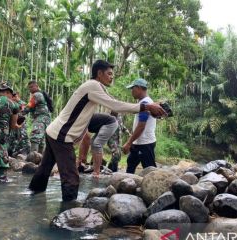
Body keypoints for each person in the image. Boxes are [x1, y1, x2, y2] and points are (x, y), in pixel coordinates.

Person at [28, 59, 166, 201]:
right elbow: (116, 105)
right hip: (62, 136)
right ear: (99, 73)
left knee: (44, 170)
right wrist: (146, 107)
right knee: (71, 178)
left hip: (53, 132)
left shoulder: (94, 86)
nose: (112, 77)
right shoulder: (93, 86)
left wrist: (148, 106)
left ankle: (33, 197)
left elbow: (112, 102)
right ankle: (68, 214)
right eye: (109, 74)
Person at [123, 78, 158, 174]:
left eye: (132, 89)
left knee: (150, 170)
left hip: (145, 143)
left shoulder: (145, 103)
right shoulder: (143, 103)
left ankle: (156, 188)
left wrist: (128, 143)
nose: (132, 92)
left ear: (138, 88)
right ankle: (126, 186)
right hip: (138, 143)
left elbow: (141, 126)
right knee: (130, 164)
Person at [22, 81, 52, 154]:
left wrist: (20, 113)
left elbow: (29, 106)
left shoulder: (36, 95)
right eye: (29, 88)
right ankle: (40, 159)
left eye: (32, 87)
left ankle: (33, 157)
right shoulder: (43, 95)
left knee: (35, 137)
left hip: (40, 118)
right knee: (41, 140)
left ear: (37, 86)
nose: (30, 89)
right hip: (47, 119)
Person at [8, 92, 30, 156]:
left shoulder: (22, 103)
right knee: (13, 138)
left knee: (23, 137)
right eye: (13, 96)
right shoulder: (11, 103)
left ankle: (25, 152)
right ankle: (13, 152)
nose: (14, 98)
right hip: (13, 123)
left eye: (15, 96)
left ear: (17, 96)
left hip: (21, 123)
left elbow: (23, 112)